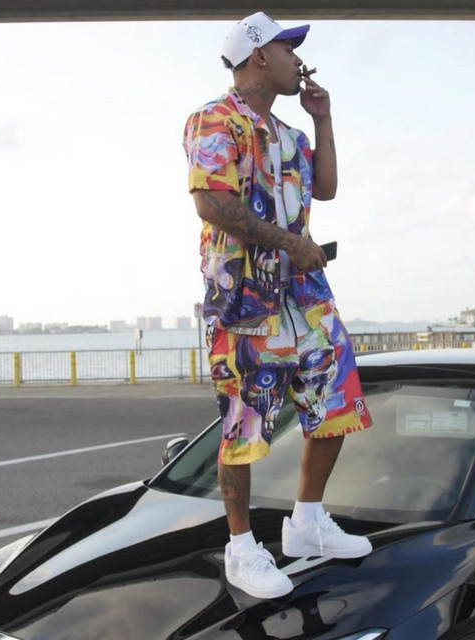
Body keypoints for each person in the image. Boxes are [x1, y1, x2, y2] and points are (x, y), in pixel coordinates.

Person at [183, 11, 372, 600]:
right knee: (243, 421)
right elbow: (212, 203)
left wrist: (323, 118)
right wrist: (291, 244)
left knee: (337, 400)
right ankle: (241, 549)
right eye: (289, 49)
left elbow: (327, 187)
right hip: (245, 298)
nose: (299, 60)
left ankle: (307, 522)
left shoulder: (290, 134)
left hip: (305, 297)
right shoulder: (214, 119)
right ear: (260, 55)